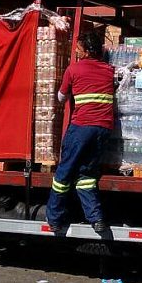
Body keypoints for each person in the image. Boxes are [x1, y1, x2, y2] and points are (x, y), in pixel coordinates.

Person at [46, 31, 114, 234]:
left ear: (84, 51)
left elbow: (60, 97)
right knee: (87, 174)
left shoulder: (74, 69)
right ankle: (96, 218)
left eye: (78, 48)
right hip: (103, 129)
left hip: (82, 128)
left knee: (63, 174)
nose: (76, 51)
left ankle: (55, 218)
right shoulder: (108, 70)